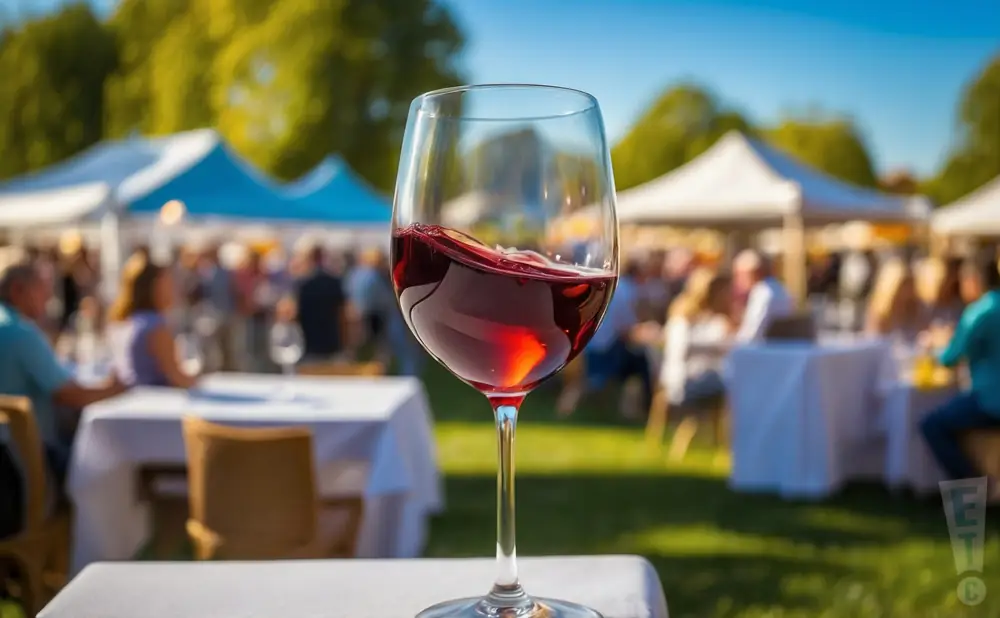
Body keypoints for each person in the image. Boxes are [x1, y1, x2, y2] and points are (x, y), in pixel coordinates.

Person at [0, 262, 127, 485]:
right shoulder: (20, 332)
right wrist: (114, 388)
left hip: (10, 459)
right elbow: (69, 395)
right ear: (18, 290)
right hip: (25, 467)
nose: (49, 297)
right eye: (41, 288)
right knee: (116, 468)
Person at [920, 268, 1000, 485]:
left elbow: (949, 358)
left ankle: (971, 487)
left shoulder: (982, 311)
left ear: (973, 279)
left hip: (991, 402)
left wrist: (936, 345)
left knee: (932, 425)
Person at [106, 253, 199, 389]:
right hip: (151, 402)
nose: (174, 289)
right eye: (168, 284)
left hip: (130, 399)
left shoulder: (124, 322)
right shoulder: (155, 326)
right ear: (155, 288)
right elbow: (177, 378)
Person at [660, 269, 733, 406]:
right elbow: (681, 347)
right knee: (733, 384)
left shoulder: (714, 317)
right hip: (682, 381)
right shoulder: (683, 316)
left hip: (702, 376)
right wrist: (718, 345)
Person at [295, 245, 350, 362]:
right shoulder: (333, 282)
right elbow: (343, 315)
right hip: (331, 343)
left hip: (309, 344)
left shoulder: (302, 284)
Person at [732, 250, 794, 342]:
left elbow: (751, 334)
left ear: (755, 272)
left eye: (740, 274)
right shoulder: (780, 288)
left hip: (763, 350)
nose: (738, 280)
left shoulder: (762, 292)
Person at [864, 259, 926, 342]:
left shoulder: (915, 308)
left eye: (910, 285)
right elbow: (874, 343)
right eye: (903, 285)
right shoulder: (880, 314)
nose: (907, 292)